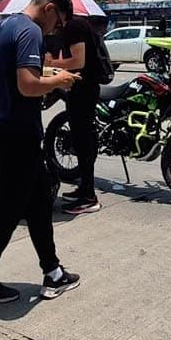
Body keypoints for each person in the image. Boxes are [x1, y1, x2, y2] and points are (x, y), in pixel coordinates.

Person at [0, 0, 82, 304]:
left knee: (40, 199)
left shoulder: (2, 28)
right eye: (57, 23)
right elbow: (29, 86)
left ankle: (53, 272)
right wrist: (59, 79)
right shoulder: (31, 31)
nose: (56, 30)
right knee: (6, 209)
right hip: (18, 132)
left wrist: (37, 74)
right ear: (49, 9)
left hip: (2, 125)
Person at [45, 16, 105, 214]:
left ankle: (89, 197)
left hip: (84, 90)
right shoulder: (77, 26)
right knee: (80, 142)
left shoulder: (74, 26)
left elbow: (79, 60)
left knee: (83, 142)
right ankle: (84, 190)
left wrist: (53, 63)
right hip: (81, 90)